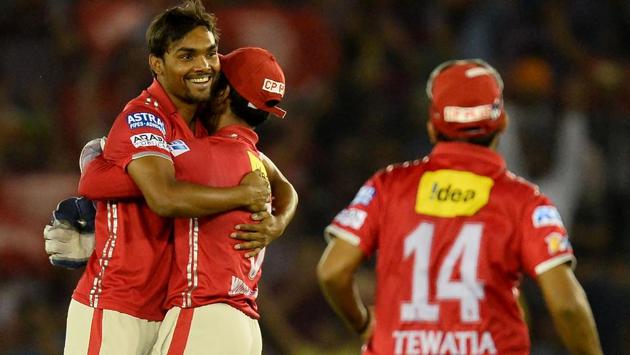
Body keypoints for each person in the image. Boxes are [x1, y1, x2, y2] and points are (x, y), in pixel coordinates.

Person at [44, 2, 297, 354]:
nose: (202, 66)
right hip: (118, 305)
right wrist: (96, 192)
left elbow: (282, 184)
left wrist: (277, 222)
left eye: (210, 54)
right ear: (157, 64)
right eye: (187, 56)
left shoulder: (203, 134)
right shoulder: (144, 117)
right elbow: (148, 192)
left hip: (169, 311)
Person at [317, 59, 603, 355]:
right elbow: (567, 306)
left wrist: (364, 323)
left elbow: (332, 271)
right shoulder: (524, 203)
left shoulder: (388, 187)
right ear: (502, 122)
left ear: (431, 126)